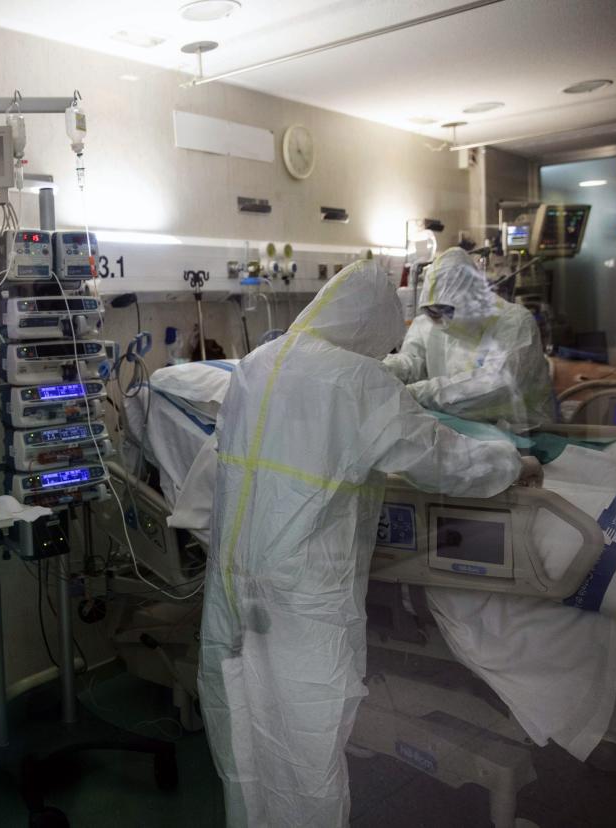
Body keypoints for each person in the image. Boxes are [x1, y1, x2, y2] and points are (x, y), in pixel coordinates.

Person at [198, 260, 541, 827]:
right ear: (373, 325)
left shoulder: (257, 363)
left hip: (232, 583)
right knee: (309, 736)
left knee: (239, 719)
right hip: (304, 591)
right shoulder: (358, 383)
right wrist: (512, 460)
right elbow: (444, 462)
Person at [384, 247, 555, 430]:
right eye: (432, 311)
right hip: (460, 430)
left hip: (523, 433)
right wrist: (384, 370)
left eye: (447, 309)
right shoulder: (426, 323)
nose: (439, 319)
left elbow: (497, 384)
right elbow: (412, 361)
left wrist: (418, 393)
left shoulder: (515, 323)